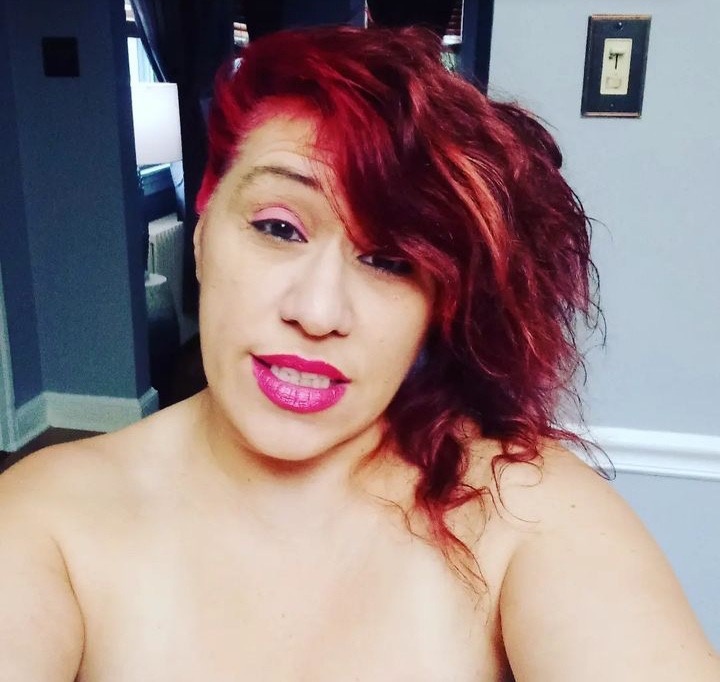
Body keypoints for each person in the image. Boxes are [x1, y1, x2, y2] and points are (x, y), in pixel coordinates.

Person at [0, 25, 717, 682]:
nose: (317, 313)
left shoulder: (526, 509)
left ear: (438, 303)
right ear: (204, 230)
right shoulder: (48, 522)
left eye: (390, 261)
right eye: (279, 228)